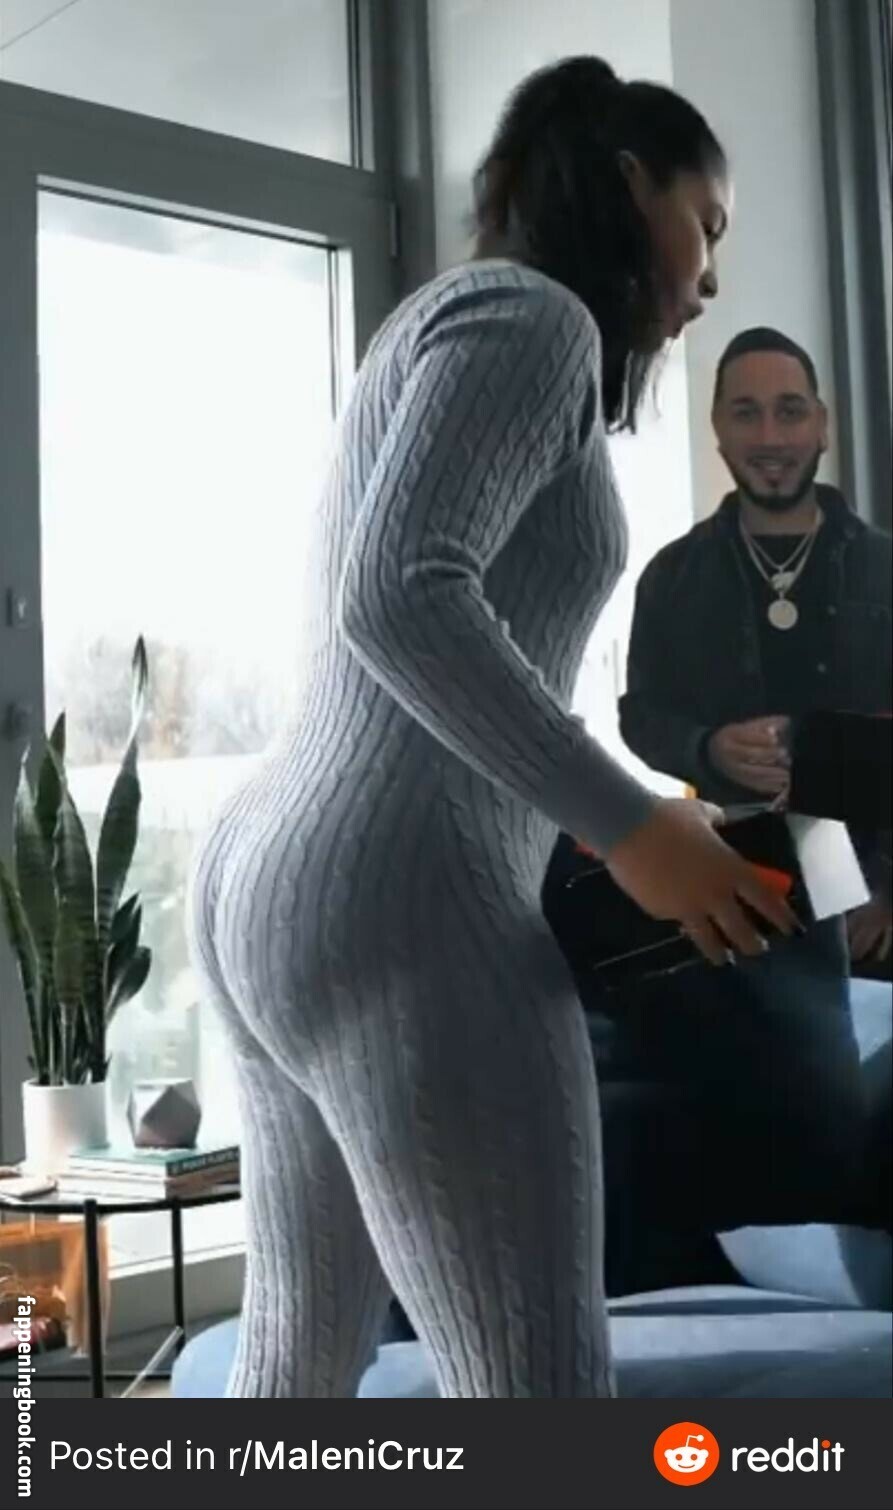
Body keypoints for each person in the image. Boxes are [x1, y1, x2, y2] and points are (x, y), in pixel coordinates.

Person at [187, 57, 795, 1400]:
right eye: (706, 224)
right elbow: (399, 595)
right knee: (536, 1403)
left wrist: (627, 813)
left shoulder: (445, 318)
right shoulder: (534, 318)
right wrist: (625, 823)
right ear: (628, 184)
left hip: (275, 879)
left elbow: (422, 633)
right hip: (399, 891)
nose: (709, 278)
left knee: (294, 1369)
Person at [609, 326, 892, 1231]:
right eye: (746, 413)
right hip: (737, 895)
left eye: (788, 411)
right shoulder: (672, 577)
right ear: (718, 431)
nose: (769, 435)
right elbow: (640, 715)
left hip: (878, 891)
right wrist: (706, 748)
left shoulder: (886, 568)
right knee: (760, 1141)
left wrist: (887, 885)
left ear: (822, 425)